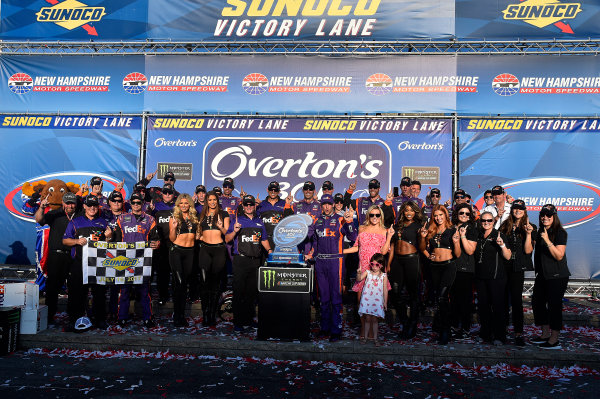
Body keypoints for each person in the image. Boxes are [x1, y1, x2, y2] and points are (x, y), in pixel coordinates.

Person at [308, 194, 356, 342]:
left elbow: (353, 237)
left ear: (333, 205)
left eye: (329, 204)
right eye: (324, 204)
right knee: (323, 298)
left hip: (336, 262)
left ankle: (336, 330)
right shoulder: (316, 220)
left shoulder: (341, 219)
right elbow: (314, 243)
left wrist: (349, 221)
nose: (327, 207)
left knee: (336, 298)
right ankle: (325, 328)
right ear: (321, 205)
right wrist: (310, 254)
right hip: (321, 263)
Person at [62, 195, 113, 330]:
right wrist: (76, 241)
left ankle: (100, 319)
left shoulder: (103, 223)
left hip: (98, 264)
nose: (92, 208)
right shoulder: (75, 222)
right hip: (79, 263)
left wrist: (108, 238)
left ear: (98, 207)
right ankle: (74, 319)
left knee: (99, 293)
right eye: (89, 205)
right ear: (84, 206)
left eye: (94, 206)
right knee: (76, 293)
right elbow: (65, 240)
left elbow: (108, 246)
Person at [225, 195, 272, 332]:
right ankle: (238, 321)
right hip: (241, 260)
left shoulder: (259, 221)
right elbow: (227, 239)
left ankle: (249, 319)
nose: (249, 207)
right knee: (239, 292)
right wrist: (234, 230)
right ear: (243, 206)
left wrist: (269, 250)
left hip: (255, 260)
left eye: (251, 204)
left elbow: (263, 239)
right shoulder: (237, 220)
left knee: (251, 293)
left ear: (254, 206)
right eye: (246, 205)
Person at [113, 193, 160, 328]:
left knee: (144, 291)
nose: (135, 205)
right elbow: (115, 240)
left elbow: (156, 239)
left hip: (142, 261)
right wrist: (109, 237)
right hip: (125, 260)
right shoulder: (122, 218)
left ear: (142, 203)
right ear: (130, 204)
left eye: (138, 203)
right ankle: (122, 317)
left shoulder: (150, 219)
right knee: (125, 291)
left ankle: (147, 318)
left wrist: (156, 244)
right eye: (133, 202)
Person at [35, 191, 80, 325]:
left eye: (72, 203)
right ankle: (49, 317)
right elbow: (39, 220)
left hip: (74, 255)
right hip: (56, 255)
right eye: (67, 203)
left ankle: (73, 316)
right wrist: (42, 208)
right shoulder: (55, 213)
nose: (70, 206)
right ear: (62, 203)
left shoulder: (80, 215)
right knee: (52, 287)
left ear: (76, 203)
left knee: (74, 287)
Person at [419, 205, 460, 344]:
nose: (438, 218)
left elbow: (458, 254)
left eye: (440, 215)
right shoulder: (431, 230)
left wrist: (456, 242)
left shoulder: (453, 229)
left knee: (443, 297)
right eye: (436, 215)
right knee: (439, 298)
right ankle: (441, 327)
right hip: (434, 267)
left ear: (445, 215)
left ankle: (445, 330)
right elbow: (423, 248)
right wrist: (425, 246)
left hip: (448, 266)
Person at [531, 204, 570, 349]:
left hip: (557, 276)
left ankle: (554, 339)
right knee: (537, 303)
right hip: (542, 275)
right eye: (543, 215)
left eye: (548, 215)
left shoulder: (560, 232)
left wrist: (547, 241)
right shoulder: (540, 231)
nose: (545, 217)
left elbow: (559, 255)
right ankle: (545, 334)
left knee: (554, 306)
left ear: (554, 217)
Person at [499, 199, 536, 346]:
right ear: (512, 210)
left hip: (518, 267)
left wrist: (528, 234)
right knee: (501, 300)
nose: (517, 211)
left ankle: (518, 333)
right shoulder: (505, 225)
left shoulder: (531, 227)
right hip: (504, 265)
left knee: (516, 300)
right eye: (515, 208)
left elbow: (528, 250)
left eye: (520, 209)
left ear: (524, 210)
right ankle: (502, 330)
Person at [387, 201, 425, 340]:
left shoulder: (419, 227)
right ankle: (405, 322)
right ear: (402, 211)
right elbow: (392, 245)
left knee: (413, 294)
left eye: (411, 210)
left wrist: (422, 236)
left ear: (415, 212)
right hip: (397, 260)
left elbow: (422, 247)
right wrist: (389, 263)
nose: (409, 213)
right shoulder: (397, 226)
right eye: (406, 210)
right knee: (395, 293)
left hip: (412, 260)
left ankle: (412, 325)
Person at [473, 211, 512, 345]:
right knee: (483, 307)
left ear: (493, 221)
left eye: (489, 220)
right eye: (484, 220)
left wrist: (501, 245)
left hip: (496, 278)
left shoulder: (499, 235)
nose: (486, 223)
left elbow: (508, 256)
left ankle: (499, 336)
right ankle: (485, 334)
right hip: (481, 277)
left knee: (497, 307)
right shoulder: (478, 235)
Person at [197, 191, 230, 327]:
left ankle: (212, 314)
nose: (212, 202)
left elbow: (227, 235)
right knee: (205, 284)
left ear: (217, 201)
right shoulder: (202, 214)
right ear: (206, 201)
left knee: (215, 285)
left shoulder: (224, 214)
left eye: (214, 200)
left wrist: (221, 226)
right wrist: (199, 236)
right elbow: (198, 232)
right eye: (209, 200)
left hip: (218, 250)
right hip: (204, 249)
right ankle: (205, 314)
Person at [168, 193, 200, 327]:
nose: (184, 205)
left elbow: (197, 236)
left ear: (190, 205)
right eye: (181, 203)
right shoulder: (174, 218)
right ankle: (178, 316)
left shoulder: (194, 218)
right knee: (180, 283)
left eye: (186, 203)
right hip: (177, 251)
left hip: (190, 252)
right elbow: (172, 238)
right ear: (178, 205)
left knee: (183, 284)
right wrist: (174, 228)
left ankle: (180, 315)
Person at [449, 203, 478, 340]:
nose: (464, 216)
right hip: (452, 267)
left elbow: (470, 250)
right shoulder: (451, 227)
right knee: (453, 299)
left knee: (465, 300)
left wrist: (463, 236)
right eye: (462, 213)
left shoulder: (471, 229)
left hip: (465, 269)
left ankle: (465, 328)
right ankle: (454, 325)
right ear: (457, 214)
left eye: (467, 214)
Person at [101, 190, 127, 320]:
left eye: (119, 201)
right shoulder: (103, 215)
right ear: (109, 202)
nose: (117, 203)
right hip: (106, 254)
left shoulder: (129, 216)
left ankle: (119, 314)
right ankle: (105, 313)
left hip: (124, 255)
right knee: (106, 287)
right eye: (114, 201)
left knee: (120, 287)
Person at [150, 184, 176, 305]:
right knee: (162, 272)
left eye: (169, 193)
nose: (167, 195)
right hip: (160, 245)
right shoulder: (155, 207)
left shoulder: (178, 206)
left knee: (176, 272)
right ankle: (163, 296)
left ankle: (177, 295)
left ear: (173, 194)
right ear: (162, 194)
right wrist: (149, 210)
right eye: (165, 193)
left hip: (175, 244)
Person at [356, 253, 390, 346]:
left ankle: (375, 338)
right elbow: (359, 279)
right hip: (367, 299)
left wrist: (385, 302)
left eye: (377, 265)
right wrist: (359, 273)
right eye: (372, 264)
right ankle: (366, 337)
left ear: (381, 265)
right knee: (367, 318)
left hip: (377, 300)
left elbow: (385, 289)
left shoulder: (383, 276)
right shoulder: (368, 272)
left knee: (375, 319)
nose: (374, 267)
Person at [257, 181, 287, 251]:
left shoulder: (284, 203)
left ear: (279, 191)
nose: (273, 192)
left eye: (275, 190)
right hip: (264, 239)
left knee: (278, 262)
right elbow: (255, 221)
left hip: (280, 239)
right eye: (271, 189)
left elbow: (290, 220)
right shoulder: (261, 204)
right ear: (267, 190)